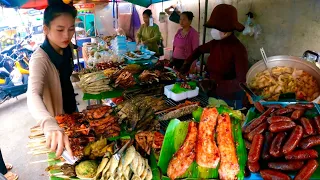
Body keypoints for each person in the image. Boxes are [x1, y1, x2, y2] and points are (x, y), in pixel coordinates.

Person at [27, 2, 77, 158]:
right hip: (56, 123)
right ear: (45, 29)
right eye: (60, 29)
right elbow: (33, 93)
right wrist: (47, 122)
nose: (67, 36)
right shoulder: (39, 59)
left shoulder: (67, 48)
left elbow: (64, 76)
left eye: (71, 29)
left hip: (72, 112)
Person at [181, 4, 248, 109]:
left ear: (227, 29)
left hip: (228, 98)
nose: (213, 31)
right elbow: (199, 50)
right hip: (211, 92)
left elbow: (242, 82)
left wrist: (216, 84)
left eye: (217, 28)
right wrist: (187, 62)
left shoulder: (238, 49)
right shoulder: (215, 43)